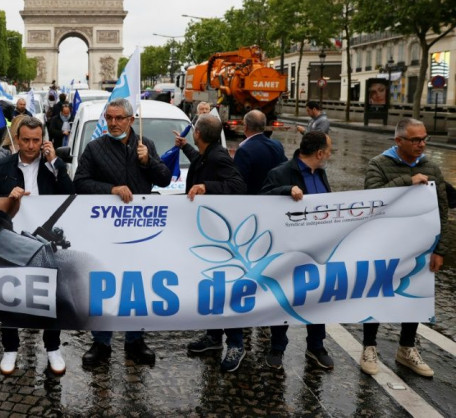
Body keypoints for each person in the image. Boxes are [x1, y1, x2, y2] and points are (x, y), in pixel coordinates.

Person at [74, 98, 172, 367]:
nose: (113, 123)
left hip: (141, 231)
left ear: (131, 120)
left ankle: (135, 339)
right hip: (105, 232)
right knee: (104, 285)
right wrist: (111, 189)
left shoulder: (146, 145)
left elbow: (164, 178)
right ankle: (101, 342)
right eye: (109, 118)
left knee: (136, 286)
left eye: (119, 118)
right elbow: (79, 183)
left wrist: (148, 160)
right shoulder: (94, 148)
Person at [0, 116, 74, 375]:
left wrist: (55, 163)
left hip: (44, 242)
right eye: (26, 140)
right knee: (9, 294)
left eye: (36, 140)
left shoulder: (53, 165)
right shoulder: (1, 167)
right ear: (17, 139)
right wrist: (6, 198)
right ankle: (10, 348)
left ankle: (53, 348)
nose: (31, 146)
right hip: (11, 239)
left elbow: (71, 194)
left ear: (43, 139)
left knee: (49, 293)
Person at [360, 118, 449, 377]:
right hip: (384, 245)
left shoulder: (431, 166)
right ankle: (369, 347)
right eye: (415, 139)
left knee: (415, 297)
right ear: (398, 141)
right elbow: (372, 199)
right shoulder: (379, 164)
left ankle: (407, 348)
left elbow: (442, 210)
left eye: (424, 139)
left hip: (420, 248)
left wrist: (440, 249)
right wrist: (407, 181)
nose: (421, 144)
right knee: (376, 294)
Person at [260, 131, 335, 371]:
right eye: (329, 150)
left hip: (318, 251)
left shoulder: (321, 173)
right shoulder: (280, 173)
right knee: (283, 298)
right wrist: (285, 190)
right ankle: (277, 347)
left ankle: (316, 346)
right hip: (287, 250)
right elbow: (260, 200)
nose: (330, 155)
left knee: (318, 300)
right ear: (319, 153)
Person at [183, 114, 247, 372]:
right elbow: (200, 162)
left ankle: (236, 343)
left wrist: (205, 187)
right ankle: (213, 337)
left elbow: (237, 185)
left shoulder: (218, 156)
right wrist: (184, 147)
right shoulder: (206, 153)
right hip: (206, 231)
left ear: (197, 133)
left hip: (221, 234)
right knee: (212, 287)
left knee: (224, 288)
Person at [234, 110, 287, 195]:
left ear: (245, 126)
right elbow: (285, 170)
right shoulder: (277, 145)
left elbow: (238, 182)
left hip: (253, 199)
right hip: (275, 197)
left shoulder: (244, 151)